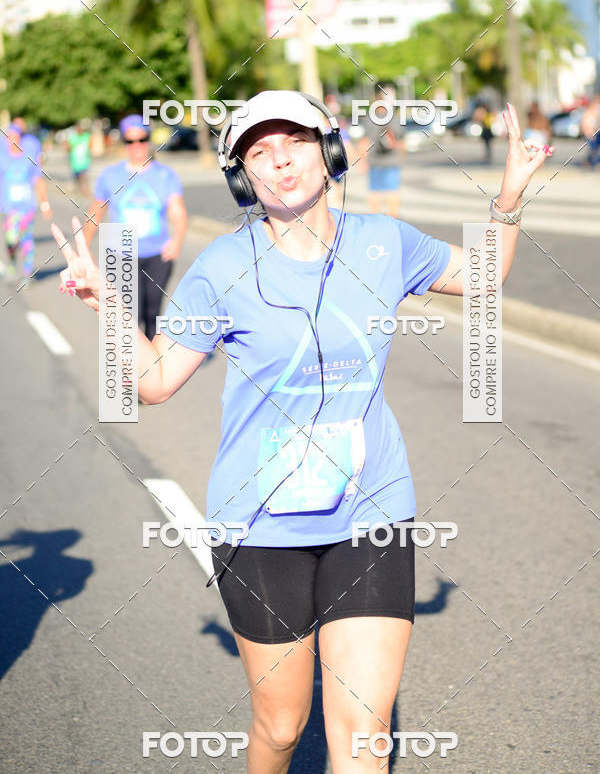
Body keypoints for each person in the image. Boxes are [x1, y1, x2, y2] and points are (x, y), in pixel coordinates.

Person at [51, 93, 553, 773]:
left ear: (329, 151)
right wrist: (108, 304)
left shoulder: (384, 242)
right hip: (259, 525)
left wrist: (510, 196)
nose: (280, 159)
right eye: (259, 151)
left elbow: (484, 275)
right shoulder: (223, 267)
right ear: (243, 177)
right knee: (283, 725)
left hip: (371, 510)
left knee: (363, 734)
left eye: (295, 140)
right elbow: (156, 381)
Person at [82, 114, 188, 340]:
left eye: (142, 139)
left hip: (158, 255)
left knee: (153, 314)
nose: (137, 145)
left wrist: (177, 241)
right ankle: (132, 361)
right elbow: (95, 214)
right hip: (122, 255)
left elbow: (178, 212)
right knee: (130, 315)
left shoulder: (165, 175)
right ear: (124, 143)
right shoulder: (110, 176)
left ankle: (152, 361)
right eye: (130, 141)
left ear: (149, 140)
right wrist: (83, 250)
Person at [0, 122, 52, 286]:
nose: (13, 140)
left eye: (16, 137)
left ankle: (27, 274)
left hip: (27, 207)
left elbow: (38, 180)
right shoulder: (3, 159)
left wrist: (45, 204)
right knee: (11, 239)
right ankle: (13, 264)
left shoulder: (29, 158)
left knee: (27, 240)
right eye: (10, 137)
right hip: (9, 208)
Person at [358, 86, 405, 217]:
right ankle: (393, 218)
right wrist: (401, 157)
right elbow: (401, 141)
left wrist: (362, 160)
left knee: (374, 191)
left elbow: (364, 142)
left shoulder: (369, 119)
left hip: (374, 161)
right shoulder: (395, 119)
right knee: (392, 191)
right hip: (392, 160)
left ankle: (375, 218)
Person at [65, 120, 92, 197]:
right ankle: (77, 190)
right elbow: (67, 148)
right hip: (75, 162)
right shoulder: (73, 137)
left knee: (84, 176)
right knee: (76, 177)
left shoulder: (86, 136)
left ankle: (85, 191)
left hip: (84, 161)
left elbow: (90, 145)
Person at [581, 96, 600, 169]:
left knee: (594, 149)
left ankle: (589, 162)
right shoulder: (588, 113)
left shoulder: (596, 113)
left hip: (596, 134)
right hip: (590, 135)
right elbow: (584, 125)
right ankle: (593, 163)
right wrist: (589, 134)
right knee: (593, 150)